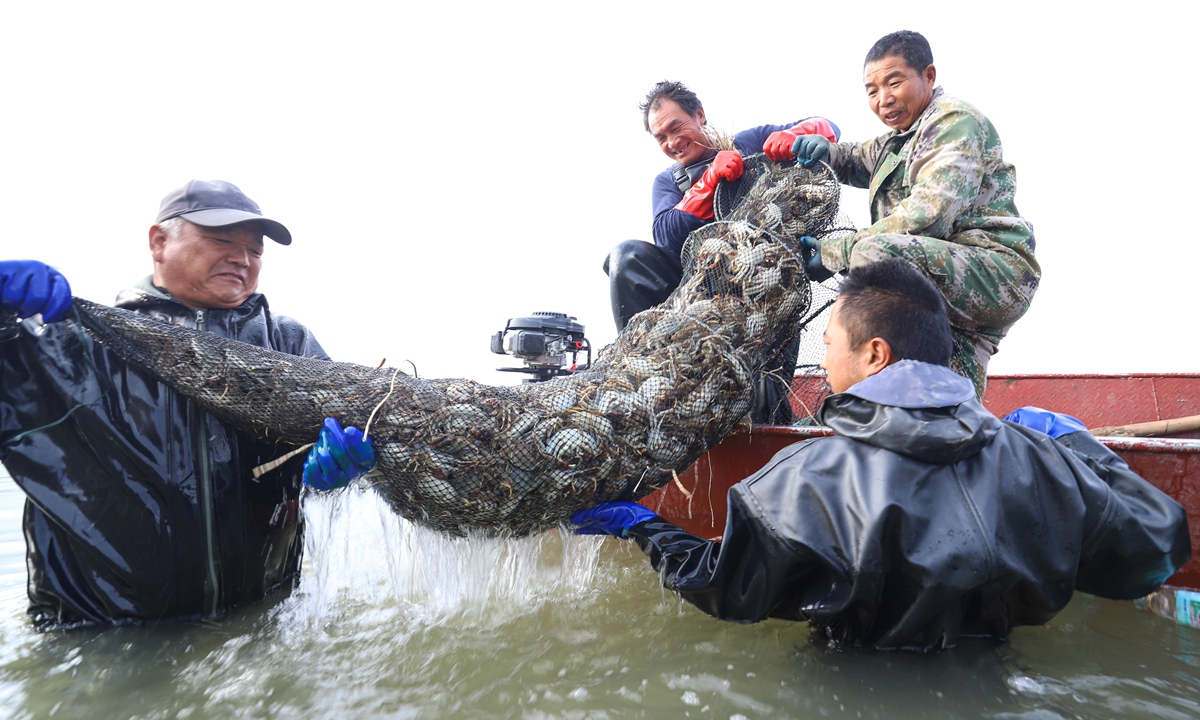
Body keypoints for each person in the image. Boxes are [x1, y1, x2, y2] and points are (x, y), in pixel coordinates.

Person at [570, 259, 1190, 652]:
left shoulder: (802, 481)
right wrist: (1074, 444)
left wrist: (643, 526)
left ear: (874, 354)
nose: (823, 362)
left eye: (831, 344)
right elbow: (1155, 549)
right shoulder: (1040, 461)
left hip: (845, 682)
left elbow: (722, 587)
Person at [0, 180, 350, 630]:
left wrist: (340, 474)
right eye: (222, 240)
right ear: (158, 242)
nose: (242, 258)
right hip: (97, 635)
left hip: (258, 623)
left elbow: (334, 455)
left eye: (255, 250)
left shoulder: (289, 345)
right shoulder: (69, 350)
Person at [785, 31, 1039, 398]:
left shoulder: (954, 121)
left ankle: (857, 384)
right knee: (947, 400)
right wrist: (827, 151)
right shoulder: (899, 137)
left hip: (994, 273)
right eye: (872, 90)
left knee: (875, 257)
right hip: (944, 279)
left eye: (894, 82)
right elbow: (858, 158)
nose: (883, 99)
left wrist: (833, 252)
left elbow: (928, 215)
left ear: (929, 76)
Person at [603, 80, 840, 423]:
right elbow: (666, 233)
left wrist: (799, 134)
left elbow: (829, 126)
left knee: (760, 404)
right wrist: (708, 182)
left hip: (760, 292)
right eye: (661, 138)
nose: (671, 142)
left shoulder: (748, 143)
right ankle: (640, 374)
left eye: (676, 127)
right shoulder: (669, 181)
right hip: (692, 294)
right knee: (626, 256)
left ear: (699, 115)